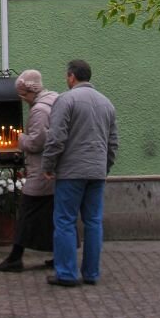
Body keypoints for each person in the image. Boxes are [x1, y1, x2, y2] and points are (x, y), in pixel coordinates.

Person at [42, 58, 118, 288]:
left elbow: (56, 137)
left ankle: (66, 273)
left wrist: (48, 165)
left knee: (65, 221)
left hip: (71, 172)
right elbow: (113, 143)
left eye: (67, 76)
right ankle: (91, 273)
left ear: (72, 76)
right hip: (96, 171)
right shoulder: (107, 103)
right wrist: (104, 167)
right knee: (93, 222)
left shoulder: (66, 100)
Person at [0, 69, 59, 273]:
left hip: (41, 171)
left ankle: (15, 258)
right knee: (53, 214)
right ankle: (60, 254)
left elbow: (38, 141)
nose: (22, 99)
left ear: (31, 90)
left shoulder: (39, 110)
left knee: (27, 212)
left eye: (23, 94)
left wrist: (21, 139)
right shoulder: (54, 101)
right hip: (51, 171)